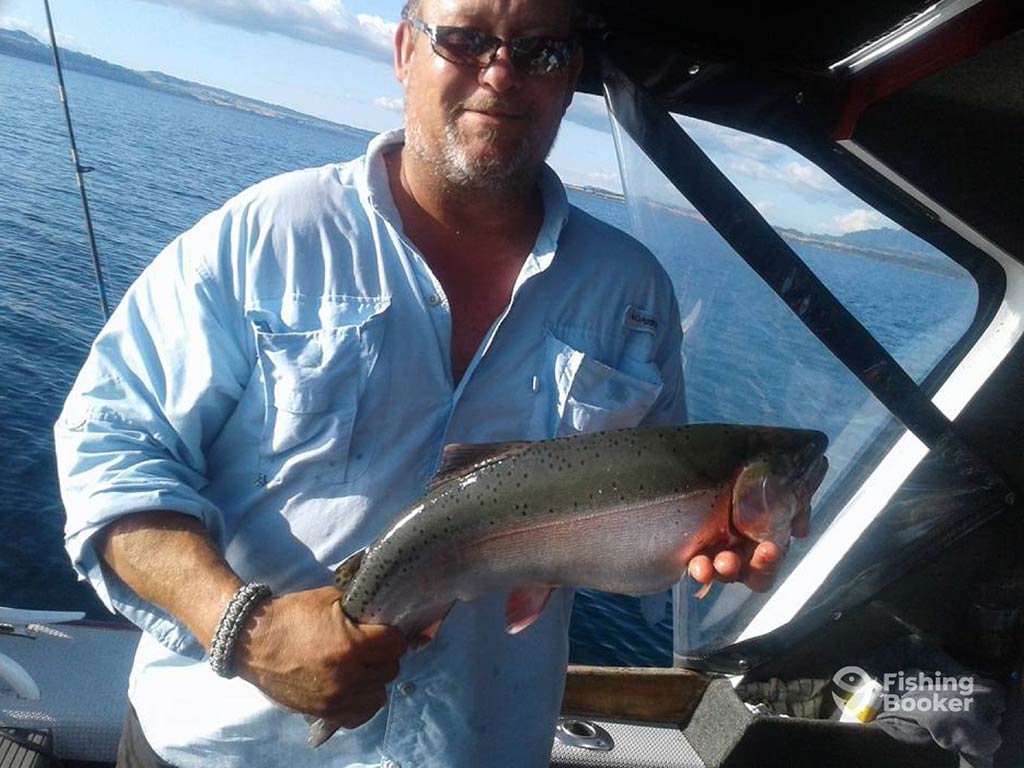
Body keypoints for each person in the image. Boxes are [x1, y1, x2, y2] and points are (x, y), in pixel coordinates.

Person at [55, 0, 796, 765]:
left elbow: (629, 552)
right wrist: (245, 629)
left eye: (540, 51)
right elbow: (107, 450)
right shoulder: (261, 238)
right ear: (406, 50)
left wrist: (704, 541)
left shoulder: (632, 295)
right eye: (468, 40)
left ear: (572, 73)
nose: (501, 73)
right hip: (220, 748)